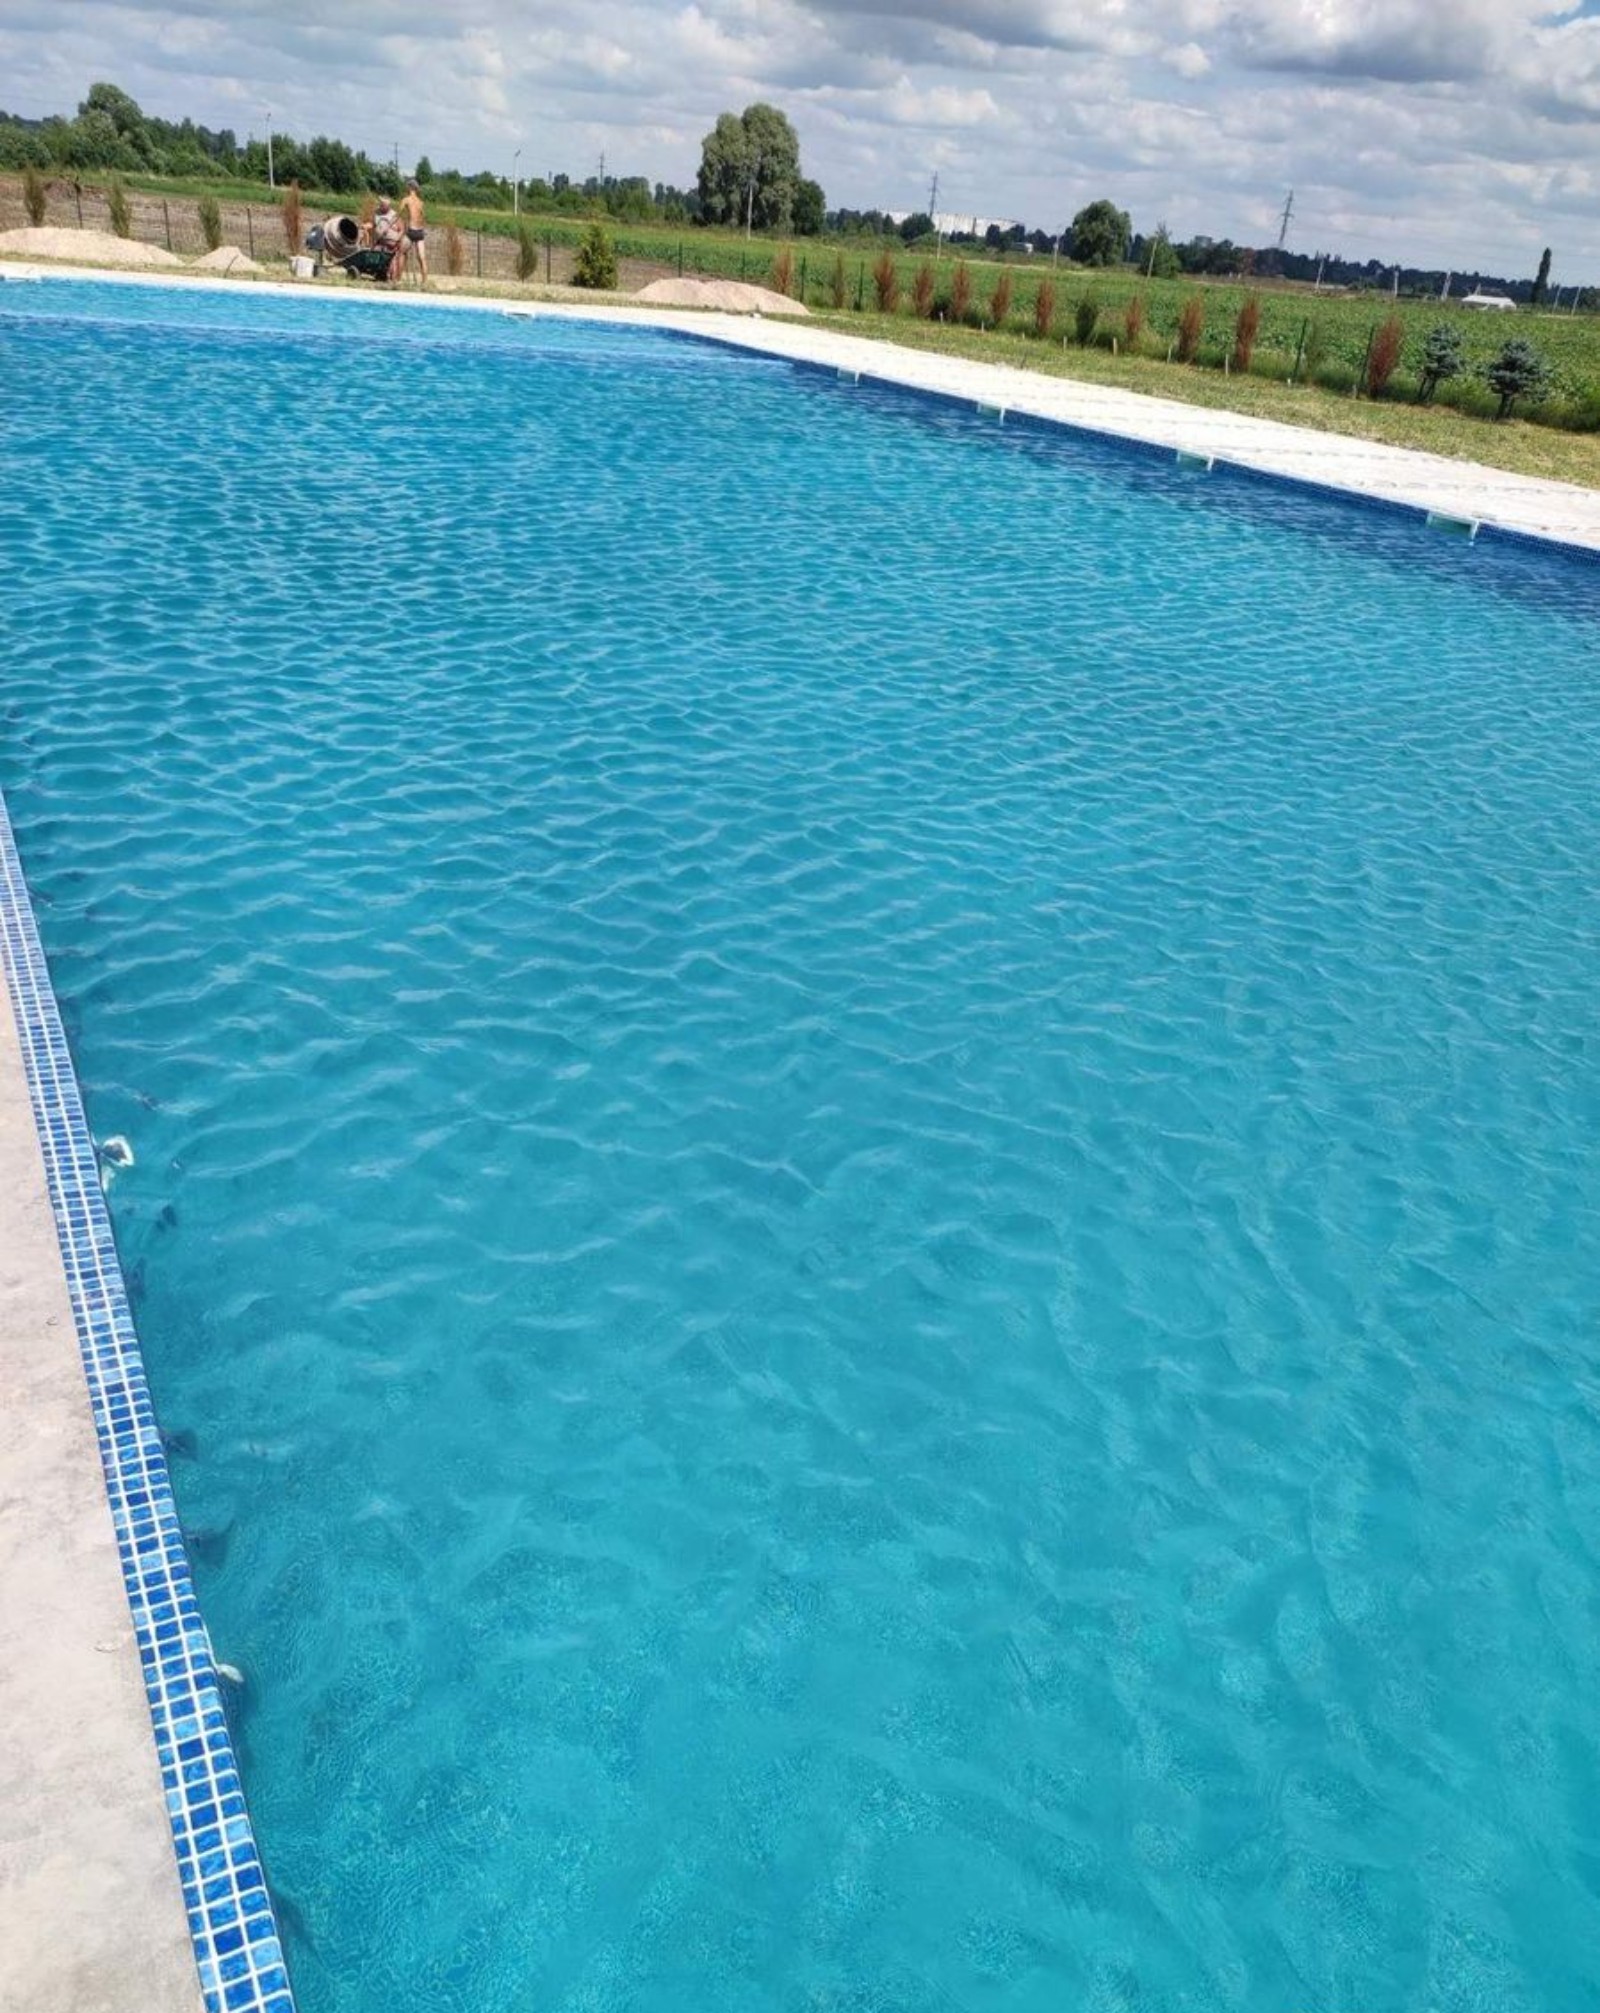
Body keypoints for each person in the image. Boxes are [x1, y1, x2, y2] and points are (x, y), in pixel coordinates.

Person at [400, 179, 428, 287]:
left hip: (411, 231)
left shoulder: (406, 200)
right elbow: (423, 217)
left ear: (410, 188)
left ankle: (398, 278)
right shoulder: (421, 202)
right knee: (422, 258)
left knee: (401, 253)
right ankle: (424, 282)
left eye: (407, 187)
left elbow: (399, 214)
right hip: (420, 231)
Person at [371, 195, 405, 283]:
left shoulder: (394, 215)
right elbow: (374, 227)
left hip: (392, 242)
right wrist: (373, 241)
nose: (382, 206)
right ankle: (380, 275)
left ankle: (393, 278)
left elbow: (402, 229)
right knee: (376, 256)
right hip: (380, 241)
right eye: (381, 204)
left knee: (391, 259)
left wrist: (398, 239)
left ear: (388, 206)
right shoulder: (376, 213)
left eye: (384, 205)